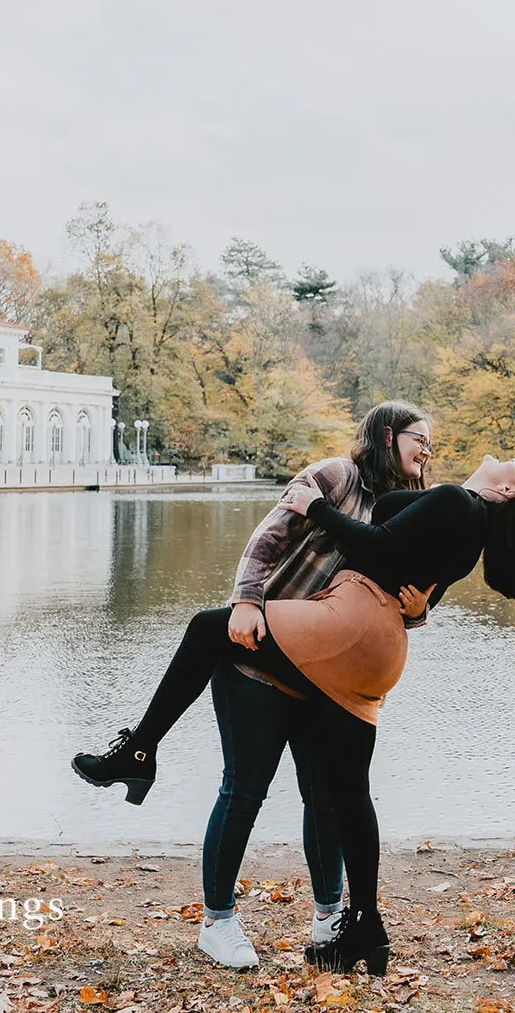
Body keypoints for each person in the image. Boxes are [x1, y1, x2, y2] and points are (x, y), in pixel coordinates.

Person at [73, 453, 515, 975]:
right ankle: (366, 929)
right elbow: (418, 587)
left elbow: (374, 544)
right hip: (381, 651)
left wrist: (315, 506)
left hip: (347, 621)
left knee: (207, 629)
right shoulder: (467, 523)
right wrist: (422, 608)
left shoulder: (454, 502)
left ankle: (139, 750)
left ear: (509, 492)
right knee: (347, 793)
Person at [198, 401, 435, 969]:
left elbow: (388, 601)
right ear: (386, 434)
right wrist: (247, 602)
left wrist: (418, 610)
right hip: (258, 653)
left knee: (324, 796)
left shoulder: (401, 511)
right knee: (245, 788)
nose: (427, 450)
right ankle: (218, 922)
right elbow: (266, 539)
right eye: (418, 438)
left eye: (431, 442)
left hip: (324, 677)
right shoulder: (336, 476)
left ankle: (330, 916)